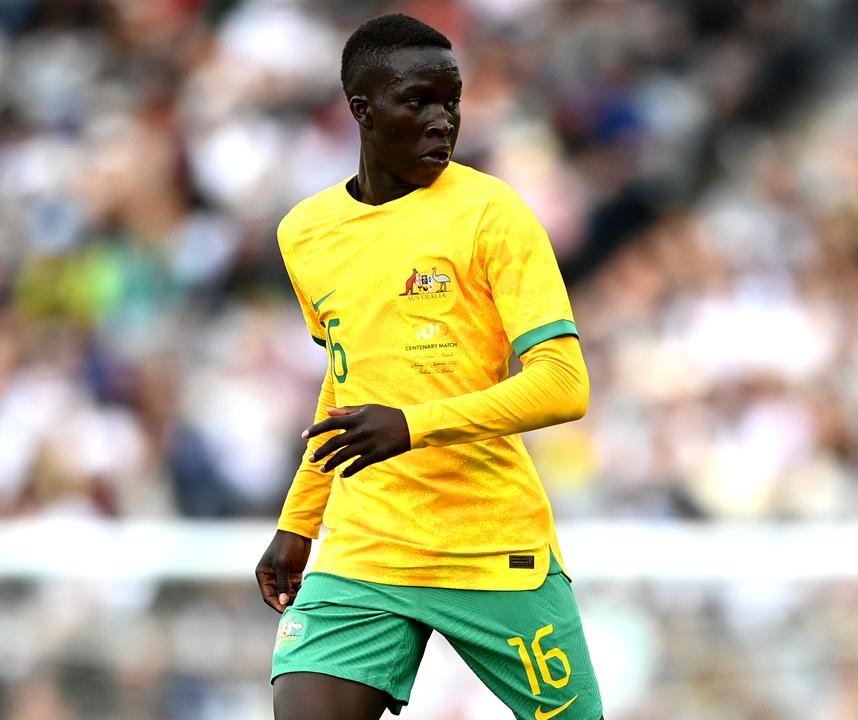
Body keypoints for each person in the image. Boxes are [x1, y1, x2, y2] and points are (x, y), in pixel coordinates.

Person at [255, 13, 604, 720]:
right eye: (419, 101)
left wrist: (412, 427)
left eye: (452, 101)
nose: (443, 121)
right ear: (363, 110)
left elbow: (565, 384)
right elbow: (351, 380)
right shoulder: (307, 234)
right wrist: (301, 521)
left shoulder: (492, 213)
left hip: (490, 547)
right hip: (366, 548)